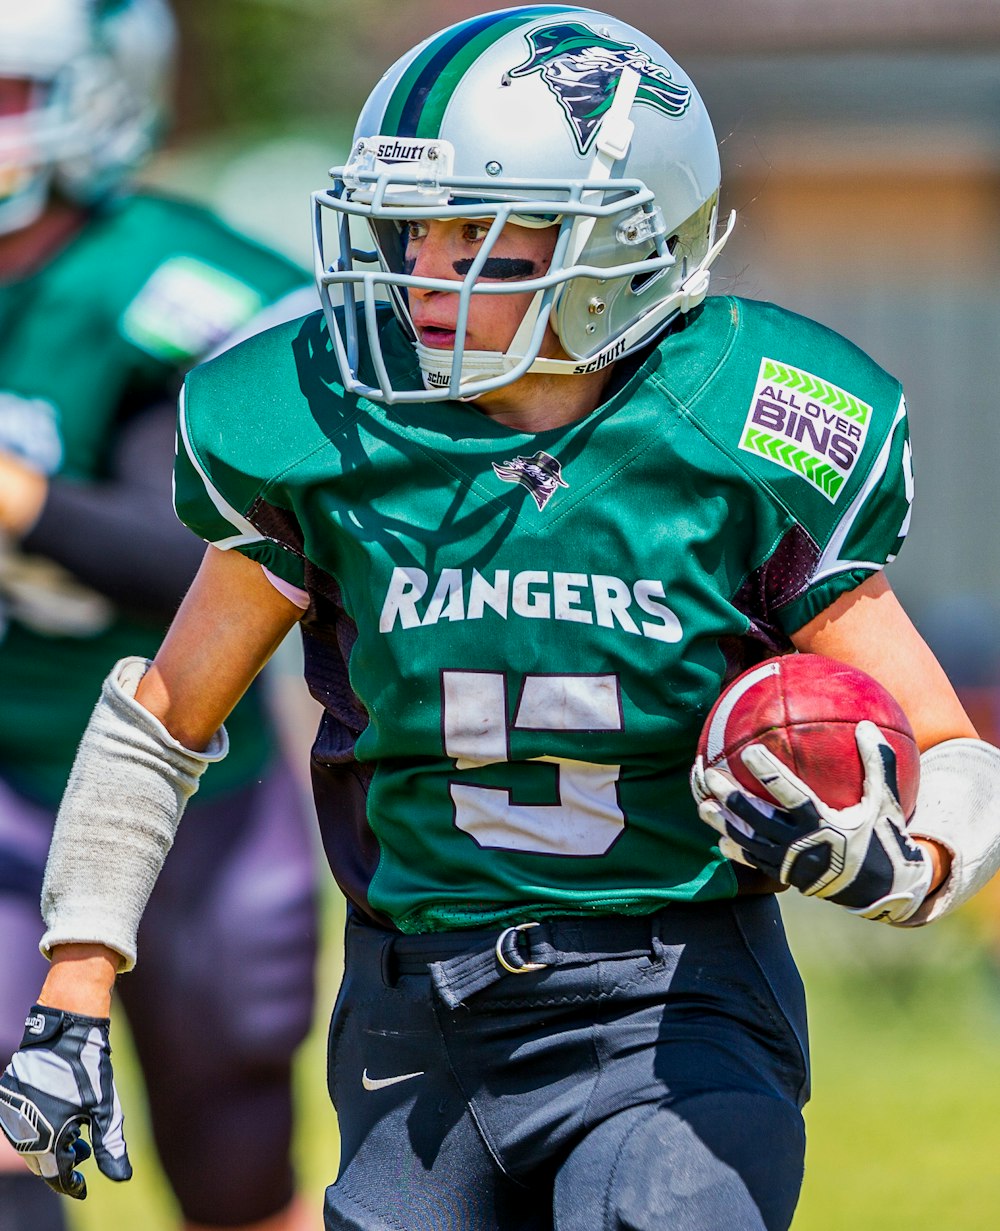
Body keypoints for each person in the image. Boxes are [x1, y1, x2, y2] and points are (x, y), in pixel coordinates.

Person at [3, 6, 1000, 1229]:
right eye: (417, 228)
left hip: (671, 1004)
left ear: (631, 241)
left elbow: (950, 751)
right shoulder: (331, 430)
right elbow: (163, 722)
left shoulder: (735, 425)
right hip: (417, 1021)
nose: (427, 271)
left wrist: (915, 862)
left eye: (485, 235)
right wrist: (72, 991)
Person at [0, 3, 319, 1231]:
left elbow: (218, 561)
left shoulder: (177, 279)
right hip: (0, 772)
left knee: (235, 1168)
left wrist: (21, 498)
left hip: (185, 794)